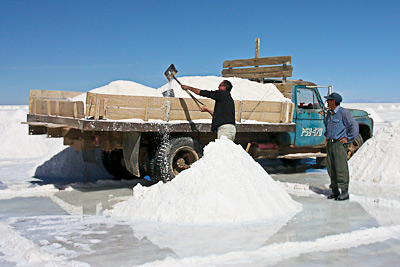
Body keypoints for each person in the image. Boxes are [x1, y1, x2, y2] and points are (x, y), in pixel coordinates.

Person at [324, 92, 359, 201]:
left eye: (328, 100)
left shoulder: (344, 113)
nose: (327, 102)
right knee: (331, 167)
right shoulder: (330, 113)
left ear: (333, 101)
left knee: (340, 168)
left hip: (339, 144)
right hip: (330, 143)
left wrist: (348, 139)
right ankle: (335, 191)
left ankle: (344, 192)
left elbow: (354, 126)